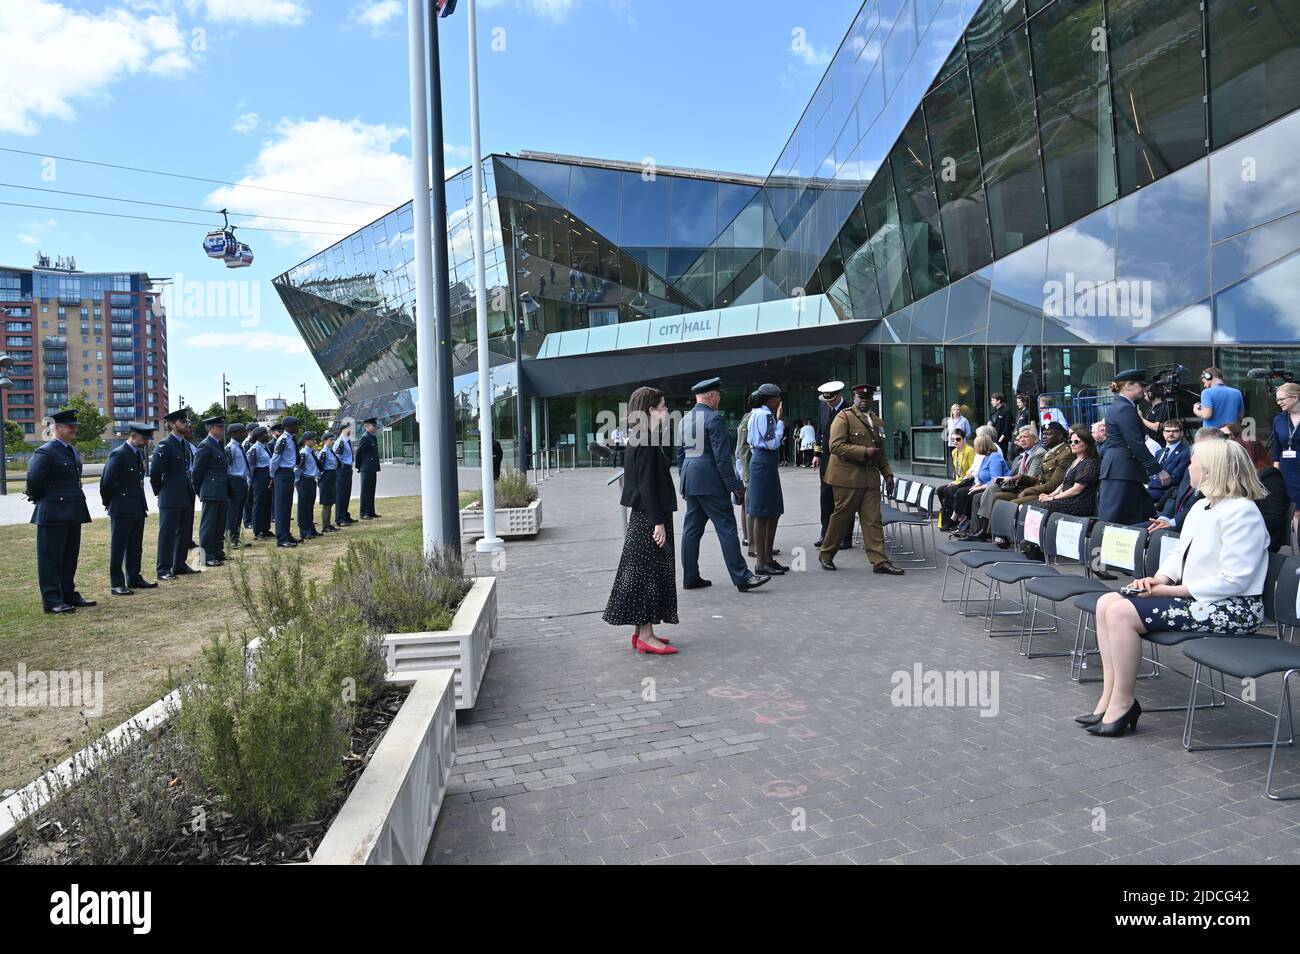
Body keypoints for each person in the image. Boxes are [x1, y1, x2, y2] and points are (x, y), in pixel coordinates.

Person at [1083, 439, 1269, 737]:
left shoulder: (1242, 512)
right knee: (1107, 602)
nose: (1189, 468)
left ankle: (1124, 702)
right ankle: (1109, 696)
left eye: (1193, 463)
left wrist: (1168, 592)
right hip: (1201, 600)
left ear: (1209, 471)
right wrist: (1160, 579)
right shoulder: (1201, 507)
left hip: (1234, 608)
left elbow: (1235, 580)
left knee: (1120, 613)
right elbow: (1179, 554)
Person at [604, 386, 679, 655]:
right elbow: (647, 485)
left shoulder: (639, 436)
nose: (667, 411)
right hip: (650, 517)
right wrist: (658, 522)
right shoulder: (645, 439)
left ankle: (642, 632)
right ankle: (646, 635)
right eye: (663, 407)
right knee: (649, 576)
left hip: (644, 516)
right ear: (650, 410)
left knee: (644, 574)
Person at [676, 377, 769, 593]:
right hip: (712, 482)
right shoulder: (714, 419)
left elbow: (680, 454)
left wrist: (684, 481)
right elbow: (721, 458)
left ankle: (690, 577)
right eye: (717, 395)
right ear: (710, 396)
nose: (719, 398)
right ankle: (742, 577)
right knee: (727, 529)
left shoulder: (684, 420)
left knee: (691, 530)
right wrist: (735, 486)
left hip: (692, 480)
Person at [818, 383, 903, 575]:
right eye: (860, 398)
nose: (864, 402)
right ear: (854, 398)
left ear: (872, 399)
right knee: (841, 518)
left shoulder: (877, 421)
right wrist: (865, 452)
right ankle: (826, 554)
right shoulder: (844, 417)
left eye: (868, 398)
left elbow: (881, 453)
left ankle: (879, 561)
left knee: (873, 519)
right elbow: (836, 446)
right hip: (846, 478)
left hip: (870, 479)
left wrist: (888, 474)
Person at [26, 407, 95, 613]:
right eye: (70, 426)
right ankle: (52, 600)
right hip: (53, 513)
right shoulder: (45, 451)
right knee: (50, 559)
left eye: (75, 426)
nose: (74, 429)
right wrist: (46, 500)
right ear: (57, 428)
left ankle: (68, 594)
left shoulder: (72, 451)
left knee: (69, 557)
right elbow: (34, 481)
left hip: (73, 510)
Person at [1098, 370, 1169, 525]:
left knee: (1144, 517)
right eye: (1141, 385)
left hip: (1124, 471)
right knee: (1113, 521)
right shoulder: (1124, 408)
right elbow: (1135, 443)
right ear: (1129, 386)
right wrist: (1158, 470)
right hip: (1122, 471)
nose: (1144, 390)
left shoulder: (1121, 406)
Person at [100, 421, 157, 595]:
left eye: (147, 439)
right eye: (143, 438)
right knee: (118, 546)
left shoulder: (138, 453)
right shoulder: (118, 454)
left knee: (135, 545)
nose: (146, 442)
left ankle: (133, 577)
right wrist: (109, 503)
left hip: (137, 506)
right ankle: (117, 583)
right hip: (121, 506)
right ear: (132, 436)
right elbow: (106, 483)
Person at [965, 425, 1045, 540]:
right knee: (976, 497)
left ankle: (986, 531)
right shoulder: (1022, 456)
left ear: (1036, 439)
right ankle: (976, 531)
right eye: (1020, 437)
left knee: (993, 489)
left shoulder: (1038, 453)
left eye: (1025, 437)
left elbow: (1030, 478)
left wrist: (1009, 479)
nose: (1021, 439)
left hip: (1025, 489)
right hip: (1014, 486)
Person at [1147, 426, 1225, 533]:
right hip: (1169, 520)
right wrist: (1164, 518)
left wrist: (1173, 523)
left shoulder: (1219, 479)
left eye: (1206, 447)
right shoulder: (1192, 467)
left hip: (1186, 529)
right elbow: (1176, 494)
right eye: (1197, 447)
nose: (1199, 452)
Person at [151, 408, 197, 580]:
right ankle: (163, 568)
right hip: (170, 494)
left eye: (186, 422)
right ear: (172, 424)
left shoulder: (184, 444)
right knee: (167, 532)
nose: (186, 424)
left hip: (185, 493)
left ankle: (179, 564)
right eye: (182, 422)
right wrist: (161, 491)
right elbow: (155, 473)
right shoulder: (165, 444)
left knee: (185, 531)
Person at [746, 383, 787, 576]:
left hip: (763, 463)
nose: (780, 401)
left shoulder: (756, 414)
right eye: (778, 397)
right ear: (770, 399)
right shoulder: (765, 415)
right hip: (764, 462)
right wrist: (780, 423)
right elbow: (772, 443)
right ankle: (762, 562)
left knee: (772, 511)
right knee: (762, 513)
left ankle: (768, 557)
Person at [812, 380, 851, 549]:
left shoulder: (849, 411)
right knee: (825, 497)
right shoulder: (823, 408)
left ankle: (845, 537)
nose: (828, 403)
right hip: (826, 461)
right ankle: (825, 533)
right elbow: (820, 433)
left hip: (843, 461)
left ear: (839, 395)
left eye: (831, 400)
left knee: (842, 500)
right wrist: (816, 454)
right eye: (826, 400)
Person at [191, 415, 230, 567]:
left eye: (223, 426)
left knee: (220, 523)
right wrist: (199, 490)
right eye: (220, 426)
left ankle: (217, 551)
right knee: (209, 524)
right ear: (211, 428)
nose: (223, 429)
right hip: (211, 490)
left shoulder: (218, 444)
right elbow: (197, 472)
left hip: (221, 489)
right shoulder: (205, 445)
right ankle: (206, 555)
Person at [1035, 424, 1099, 516]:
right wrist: (1050, 495)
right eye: (1070, 441)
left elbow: (1076, 490)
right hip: (1065, 499)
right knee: (1031, 506)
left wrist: (1053, 498)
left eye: (1076, 442)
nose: (1072, 444)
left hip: (1078, 503)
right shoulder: (1075, 460)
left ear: (1087, 444)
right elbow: (1063, 483)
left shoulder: (1090, 463)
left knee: (1038, 507)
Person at [952, 430, 1008, 532]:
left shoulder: (994, 457)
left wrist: (980, 487)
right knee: (970, 494)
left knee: (973, 495)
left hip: (999, 487)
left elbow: (996, 480)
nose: (974, 448)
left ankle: (978, 528)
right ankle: (973, 528)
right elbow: (982, 477)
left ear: (981, 446)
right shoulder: (986, 457)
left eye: (975, 446)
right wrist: (977, 485)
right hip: (987, 486)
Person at [1240, 438, 1289, 553]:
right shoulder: (1241, 478)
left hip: (1263, 539)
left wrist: (1240, 522)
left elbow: (1274, 518)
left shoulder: (1270, 476)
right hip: (1246, 536)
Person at [1270, 382, 1300, 544]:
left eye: (1282, 399)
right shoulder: (1279, 420)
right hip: (1287, 470)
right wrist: (1276, 474)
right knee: (1295, 512)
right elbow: (1277, 448)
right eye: (1277, 399)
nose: (1278, 402)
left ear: (1295, 397)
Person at [269, 415, 301, 547]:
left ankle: (287, 534)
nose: (297, 427)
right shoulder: (283, 440)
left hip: (288, 473)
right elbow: (275, 459)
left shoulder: (290, 439)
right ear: (288, 426)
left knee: (287, 506)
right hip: (281, 473)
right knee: (281, 507)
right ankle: (282, 538)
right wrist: (272, 476)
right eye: (295, 425)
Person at [736, 391, 760, 552]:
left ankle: (749, 539)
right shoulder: (750, 419)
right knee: (750, 505)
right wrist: (746, 474)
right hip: (748, 468)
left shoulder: (749, 417)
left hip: (746, 468)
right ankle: (752, 542)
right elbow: (743, 450)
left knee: (747, 504)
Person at [1146, 419, 1190, 504]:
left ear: (1181, 433)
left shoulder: (1186, 452)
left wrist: (1149, 485)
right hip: (1150, 488)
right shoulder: (1159, 452)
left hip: (1166, 492)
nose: (1170, 434)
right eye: (1167, 431)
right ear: (1163, 433)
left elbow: (1174, 479)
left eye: (1175, 431)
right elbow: (1151, 473)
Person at [224, 422, 251, 551]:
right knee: (233, 512)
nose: (244, 434)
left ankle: (236, 537)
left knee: (239, 511)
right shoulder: (230, 448)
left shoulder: (239, 447)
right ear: (234, 433)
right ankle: (230, 539)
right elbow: (228, 468)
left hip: (241, 481)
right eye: (242, 432)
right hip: (234, 481)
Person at [246, 426, 274, 539]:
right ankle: (257, 531)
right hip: (259, 475)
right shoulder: (254, 448)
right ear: (259, 436)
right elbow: (251, 467)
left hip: (266, 474)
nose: (267, 435)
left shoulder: (265, 447)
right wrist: (250, 481)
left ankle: (265, 528)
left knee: (267, 502)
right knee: (259, 503)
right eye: (265, 434)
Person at [295, 431, 322, 540]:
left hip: (311, 480)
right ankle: (304, 531)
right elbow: (299, 469)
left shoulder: (311, 452)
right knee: (303, 507)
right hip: (304, 480)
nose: (315, 441)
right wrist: (297, 481)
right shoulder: (303, 453)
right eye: (312, 439)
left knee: (310, 506)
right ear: (306, 441)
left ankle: (311, 529)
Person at [356, 416, 381, 519]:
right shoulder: (365, 437)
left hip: (372, 467)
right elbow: (359, 453)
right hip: (366, 468)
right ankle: (364, 512)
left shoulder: (372, 437)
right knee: (365, 491)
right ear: (367, 426)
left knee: (371, 490)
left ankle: (371, 511)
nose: (375, 427)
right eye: (373, 425)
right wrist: (359, 466)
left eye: (375, 425)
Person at [318, 431, 341, 533]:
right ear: (325, 441)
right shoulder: (324, 452)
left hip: (332, 476)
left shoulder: (330, 451)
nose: (333, 441)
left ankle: (328, 524)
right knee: (326, 503)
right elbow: (320, 468)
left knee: (331, 502)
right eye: (330, 440)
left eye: (333, 439)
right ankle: (325, 526)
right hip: (326, 477)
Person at [334, 423, 356, 526]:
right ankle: (340, 518)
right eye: (349, 428)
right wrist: (341, 466)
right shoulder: (341, 442)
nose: (351, 430)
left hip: (347, 470)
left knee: (346, 494)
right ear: (344, 429)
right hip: (342, 470)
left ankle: (345, 515)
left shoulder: (346, 441)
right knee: (341, 494)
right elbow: (336, 457)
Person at [943, 404, 972, 473]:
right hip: (951, 444)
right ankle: (957, 475)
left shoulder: (964, 420)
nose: (956, 411)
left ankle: (963, 474)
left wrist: (963, 440)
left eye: (958, 409)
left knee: (962, 460)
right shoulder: (949, 421)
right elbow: (947, 431)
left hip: (961, 444)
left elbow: (969, 432)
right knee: (954, 461)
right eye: (954, 409)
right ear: (952, 411)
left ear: (960, 411)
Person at [987, 392, 1014, 459]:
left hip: (1001, 441)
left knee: (1002, 458)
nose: (991, 402)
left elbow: (1007, 427)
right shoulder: (994, 412)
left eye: (993, 400)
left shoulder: (1006, 411)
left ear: (998, 401)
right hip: (993, 441)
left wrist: (1000, 439)